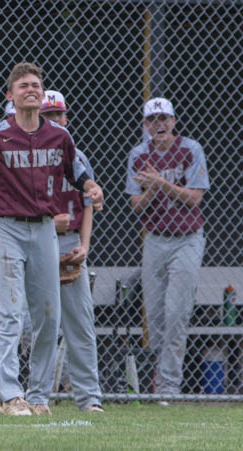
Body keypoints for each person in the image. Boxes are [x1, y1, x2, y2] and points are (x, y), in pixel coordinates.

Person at [0, 63, 103, 416]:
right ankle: (7, 394)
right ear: (11, 95)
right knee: (10, 311)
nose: (30, 89)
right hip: (8, 228)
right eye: (23, 86)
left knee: (49, 315)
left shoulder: (59, 137)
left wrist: (92, 186)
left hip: (46, 229)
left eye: (36, 84)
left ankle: (37, 396)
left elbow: (77, 175)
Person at [125, 97, 209, 403]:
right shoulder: (138, 155)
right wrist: (151, 190)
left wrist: (161, 183)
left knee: (177, 313)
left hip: (187, 238)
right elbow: (136, 205)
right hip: (155, 239)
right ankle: (160, 384)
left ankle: (169, 390)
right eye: (152, 120)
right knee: (157, 316)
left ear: (174, 122)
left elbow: (194, 199)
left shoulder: (190, 149)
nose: (159, 125)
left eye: (164, 119)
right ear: (145, 125)